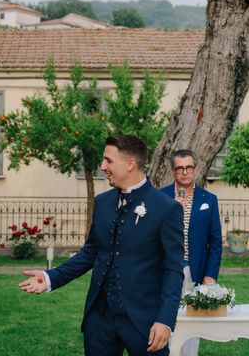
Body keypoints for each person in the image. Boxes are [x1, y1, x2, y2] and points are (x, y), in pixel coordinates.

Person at [19, 135, 185, 356]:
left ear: (130, 164)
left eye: (108, 161)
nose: (102, 166)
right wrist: (51, 277)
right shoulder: (103, 202)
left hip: (145, 320)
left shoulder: (167, 209)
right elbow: (91, 252)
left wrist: (164, 320)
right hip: (100, 318)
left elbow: (173, 270)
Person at [161, 149, 222, 356]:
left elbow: (215, 243)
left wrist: (210, 275)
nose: (185, 172)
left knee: (193, 322)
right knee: (164, 319)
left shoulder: (209, 199)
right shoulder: (161, 197)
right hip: (166, 270)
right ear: (173, 171)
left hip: (195, 271)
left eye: (189, 167)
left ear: (195, 169)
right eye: (180, 168)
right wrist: (171, 209)